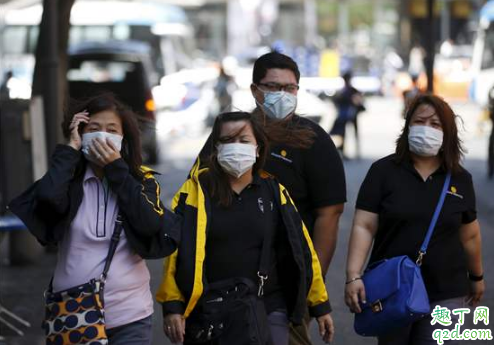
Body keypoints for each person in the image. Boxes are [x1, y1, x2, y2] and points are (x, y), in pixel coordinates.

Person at [192, 52, 346, 345]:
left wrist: (312, 289)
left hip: (285, 290)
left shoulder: (314, 141)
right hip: (223, 287)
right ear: (255, 90)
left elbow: (330, 215)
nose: (282, 94)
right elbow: (196, 196)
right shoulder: (230, 133)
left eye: (290, 88)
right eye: (273, 87)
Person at [8, 93, 180, 344]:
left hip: (130, 314)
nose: (102, 135)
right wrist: (70, 148)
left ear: (123, 138)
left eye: (111, 129)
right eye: (93, 128)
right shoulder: (69, 179)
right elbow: (46, 200)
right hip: (73, 312)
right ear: (80, 132)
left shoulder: (141, 182)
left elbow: (149, 223)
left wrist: (116, 169)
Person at [157, 111, 335, 345]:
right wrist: (172, 306)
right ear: (216, 148)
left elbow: (302, 250)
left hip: (268, 308)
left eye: (244, 141)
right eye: (227, 141)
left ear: (258, 148)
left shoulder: (274, 192)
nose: (236, 147)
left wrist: (320, 305)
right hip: (211, 312)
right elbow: (175, 252)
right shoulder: (195, 192)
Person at [345, 94, 485, 344]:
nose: (427, 129)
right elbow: (364, 226)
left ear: (447, 133)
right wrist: (354, 275)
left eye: (435, 124)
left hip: (447, 292)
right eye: (420, 122)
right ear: (408, 126)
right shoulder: (383, 172)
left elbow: (470, 235)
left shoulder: (459, 178)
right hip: (393, 289)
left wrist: (476, 277)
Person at [330, 71, 365, 159]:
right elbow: (359, 101)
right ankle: (354, 152)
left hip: (346, 115)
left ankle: (346, 152)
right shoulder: (350, 90)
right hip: (351, 114)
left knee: (344, 134)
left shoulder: (343, 91)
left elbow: (336, 102)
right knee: (349, 133)